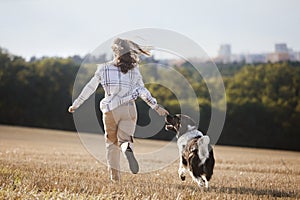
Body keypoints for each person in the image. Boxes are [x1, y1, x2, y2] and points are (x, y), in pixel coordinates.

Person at [68, 38, 169, 181]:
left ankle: (115, 178)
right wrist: (156, 106)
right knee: (125, 140)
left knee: (111, 144)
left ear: (114, 51)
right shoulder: (134, 70)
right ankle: (127, 147)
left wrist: (76, 104)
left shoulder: (103, 68)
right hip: (129, 109)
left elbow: (90, 87)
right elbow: (142, 90)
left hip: (111, 110)